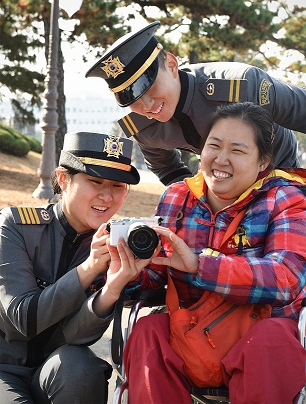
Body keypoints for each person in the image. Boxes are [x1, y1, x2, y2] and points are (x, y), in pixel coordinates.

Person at [119, 103, 306, 404]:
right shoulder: (178, 196)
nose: (221, 159)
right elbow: (154, 276)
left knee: (270, 340)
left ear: (263, 163)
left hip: (260, 331)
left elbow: (286, 278)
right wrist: (125, 271)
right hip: (190, 330)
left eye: (237, 150)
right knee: (148, 330)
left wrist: (199, 266)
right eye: (214, 146)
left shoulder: (285, 198)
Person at [0, 132, 153, 404]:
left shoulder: (113, 242)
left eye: (118, 185)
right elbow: (23, 319)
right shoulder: (16, 227)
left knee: (81, 367)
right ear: (62, 179)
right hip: (4, 367)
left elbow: (75, 336)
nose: (107, 196)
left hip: (57, 369)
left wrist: (112, 288)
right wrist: (90, 267)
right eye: (95, 181)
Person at [85, 21, 306, 186]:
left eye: (149, 88)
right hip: (224, 189)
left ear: (171, 65)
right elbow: (166, 168)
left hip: (281, 174)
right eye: (132, 99)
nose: (147, 105)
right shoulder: (143, 128)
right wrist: (196, 199)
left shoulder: (242, 85)